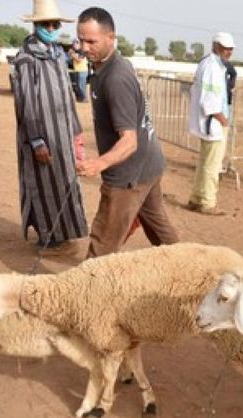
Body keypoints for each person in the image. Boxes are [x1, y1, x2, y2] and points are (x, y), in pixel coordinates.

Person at [76, 7, 178, 258]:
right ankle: (193, 272)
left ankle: (85, 294)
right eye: (81, 40)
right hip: (148, 165)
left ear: (111, 37)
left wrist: (99, 163)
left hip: (129, 174)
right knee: (161, 232)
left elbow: (129, 141)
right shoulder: (105, 66)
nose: (84, 47)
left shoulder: (116, 78)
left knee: (102, 245)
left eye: (91, 41)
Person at [12, 0, 88, 255]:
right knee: (43, 184)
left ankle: (64, 233)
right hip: (41, 135)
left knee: (64, 182)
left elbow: (68, 96)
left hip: (63, 132)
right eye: (46, 24)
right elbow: (26, 103)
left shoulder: (58, 53)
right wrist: (36, 140)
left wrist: (76, 133)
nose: (52, 28)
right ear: (36, 25)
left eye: (55, 24)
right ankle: (48, 236)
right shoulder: (26, 58)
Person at [185, 32, 235, 216]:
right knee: (212, 165)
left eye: (230, 48)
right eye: (225, 48)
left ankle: (197, 197)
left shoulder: (207, 63)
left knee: (205, 162)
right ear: (216, 46)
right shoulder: (213, 67)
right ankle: (207, 202)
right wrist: (223, 120)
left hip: (208, 121)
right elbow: (210, 100)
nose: (228, 51)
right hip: (213, 122)